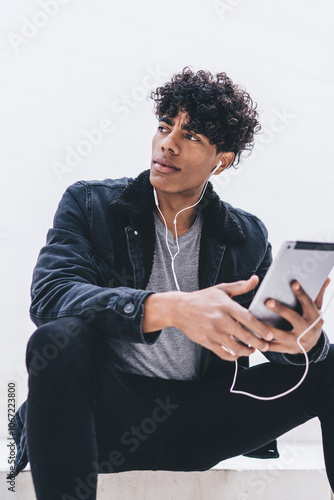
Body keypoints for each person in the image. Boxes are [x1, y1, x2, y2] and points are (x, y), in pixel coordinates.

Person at [11, 68, 333, 499]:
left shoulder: (247, 235)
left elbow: (271, 343)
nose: (169, 143)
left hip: (200, 421)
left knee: (329, 364)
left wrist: (305, 344)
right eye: (165, 126)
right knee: (59, 338)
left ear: (223, 158)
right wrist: (172, 308)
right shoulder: (91, 204)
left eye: (193, 135)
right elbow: (51, 297)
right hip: (107, 417)